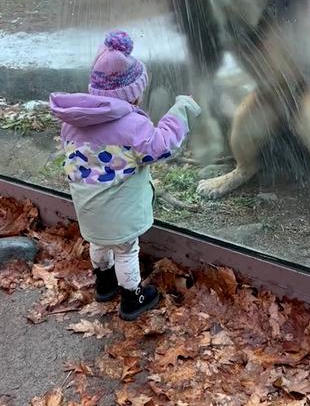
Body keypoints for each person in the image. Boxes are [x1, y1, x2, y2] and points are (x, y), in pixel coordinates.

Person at [50, 30, 201, 321]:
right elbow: (160, 147)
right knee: (126, 249)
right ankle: (132, 298)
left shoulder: (72, 122)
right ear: (134, 93)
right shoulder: (132, 127)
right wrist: (179, 111)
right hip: (120, 212)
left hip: (88, 209)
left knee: (99, 243)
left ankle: (104, 284)